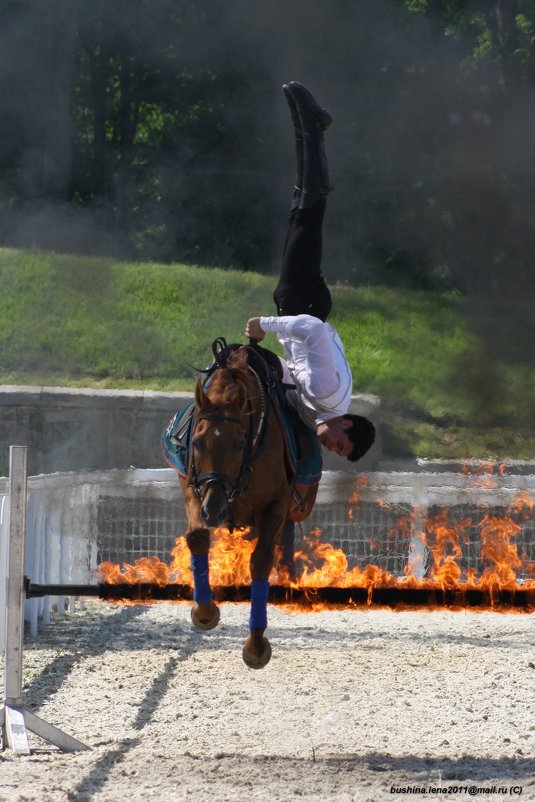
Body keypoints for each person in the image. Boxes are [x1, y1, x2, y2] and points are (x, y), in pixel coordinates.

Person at [245, 81, 375, 464]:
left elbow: (296, 367)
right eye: (340, 445)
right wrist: (264, 325)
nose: (331, 448)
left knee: (302, 209)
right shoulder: (324, 393)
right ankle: (313, 126)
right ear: (346, 425)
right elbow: (313, 331)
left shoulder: (329, 403)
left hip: (307, 304)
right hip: (301, 305)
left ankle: (306, 124)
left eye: (335, 452)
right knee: (307, 209)